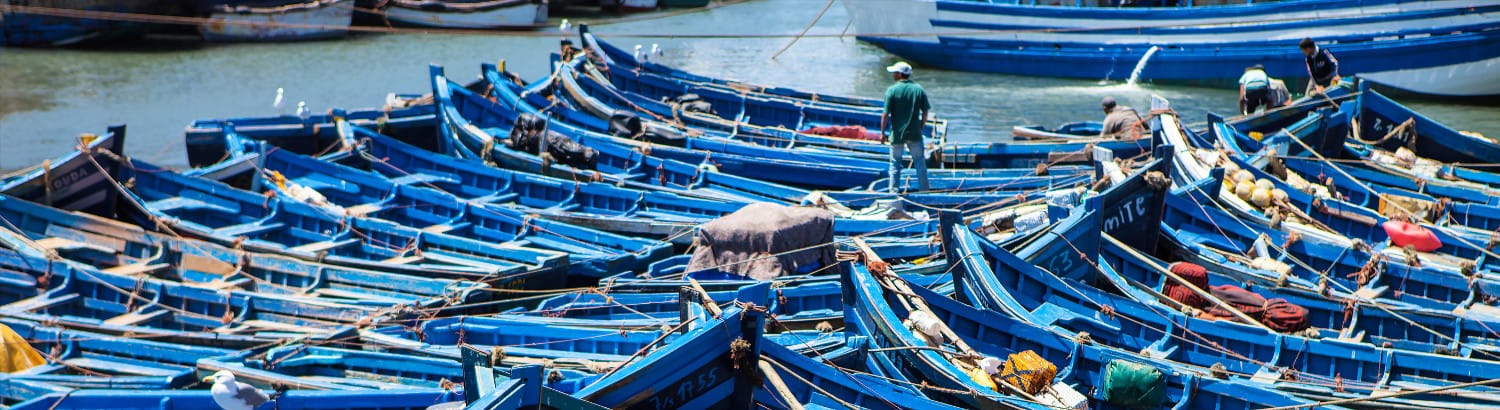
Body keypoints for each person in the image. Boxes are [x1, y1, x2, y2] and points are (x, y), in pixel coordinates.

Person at [880, 61, 930, 193]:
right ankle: (924, 191)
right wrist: (921, 127)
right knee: (920, 163)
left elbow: (885, 114)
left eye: (895, 73)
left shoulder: (892, 90)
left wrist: (882, 133)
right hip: (914, 133)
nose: (893, 75)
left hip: (897, 134)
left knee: (895, 164)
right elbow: (925, 112)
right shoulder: (919, 89)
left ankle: (893, 192)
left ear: (900, 74)